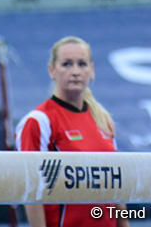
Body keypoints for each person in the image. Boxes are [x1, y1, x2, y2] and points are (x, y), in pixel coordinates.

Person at [16, 36, 130, 227]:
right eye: (67, 64)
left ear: (92, 70)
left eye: (82, 64)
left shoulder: (103, 121)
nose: (75, 71)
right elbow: (31, 191)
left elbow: (116, 187)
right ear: (52, 70)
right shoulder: (39, 122)